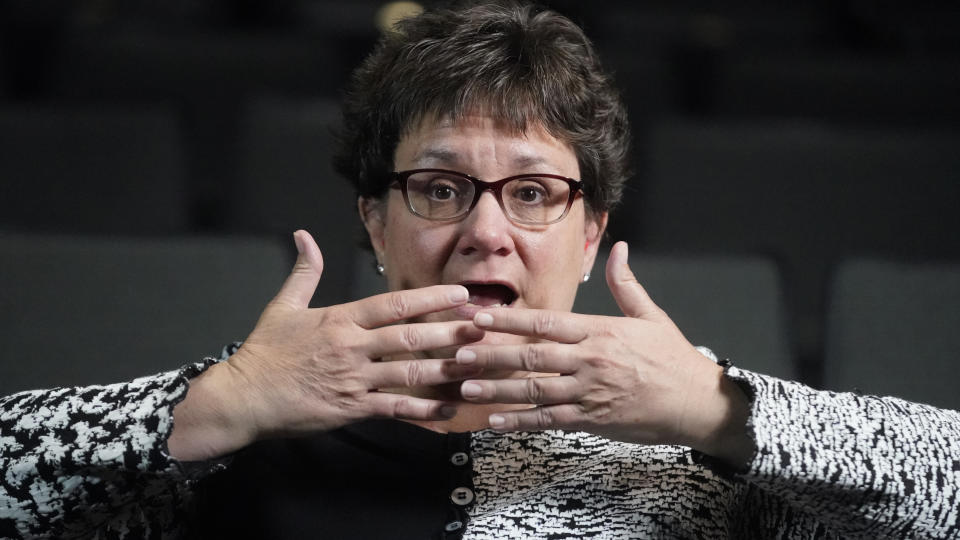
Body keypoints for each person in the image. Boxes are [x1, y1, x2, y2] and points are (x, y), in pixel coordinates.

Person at [1, 1, 958, 539]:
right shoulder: (255, 409)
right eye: (439, 186)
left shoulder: (704, 429)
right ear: (374, 222)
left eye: (535, 192)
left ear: (590, 238)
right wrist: (215, 404)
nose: (487, 232)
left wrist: (718, 411)